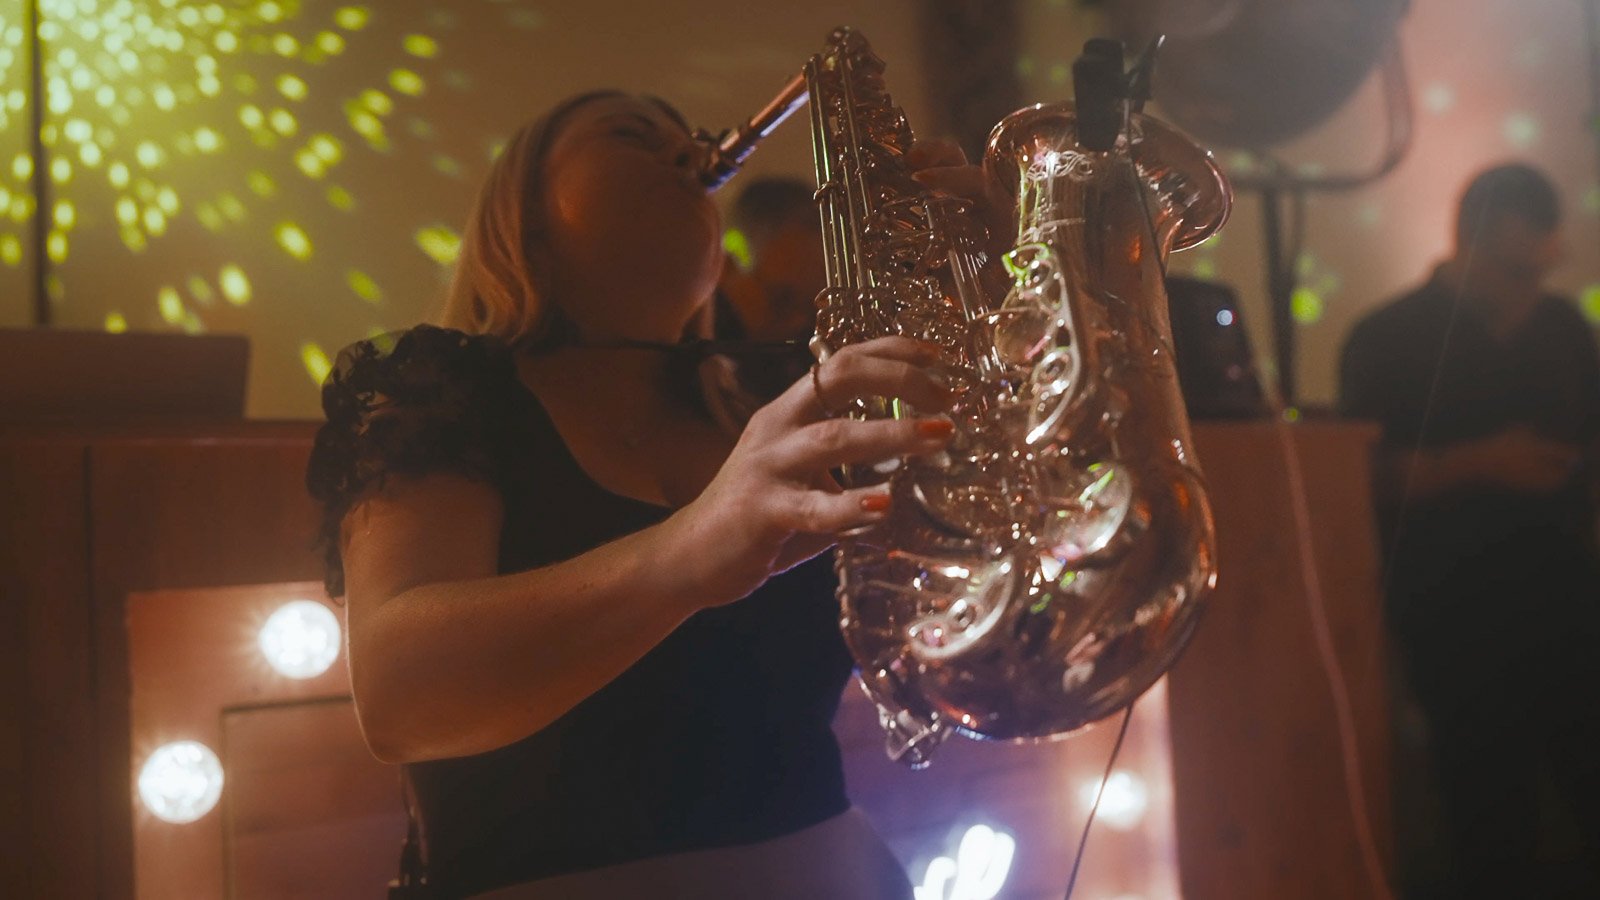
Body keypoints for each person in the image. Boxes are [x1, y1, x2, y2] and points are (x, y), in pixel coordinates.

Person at [306, 90, 991, 899]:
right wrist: (692, 549)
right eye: (632, 137)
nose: (683, 157)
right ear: (524, 217)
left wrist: (986, 297)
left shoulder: (772, 402)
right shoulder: (436, 390)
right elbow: (400, 697)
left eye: (688, 143)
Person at [1338, 163, 1600, 897]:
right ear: (1469, 245)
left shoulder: (1563, 327)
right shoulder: (1387, 338)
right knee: (1490, 820)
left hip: (1567, 595)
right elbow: (1360, 477)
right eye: (1517, 269)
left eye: (1543, 267)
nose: (1532, 286)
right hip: (1453, 609)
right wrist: (1480, 462)